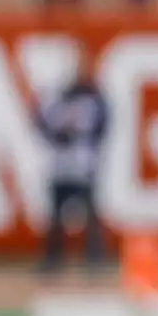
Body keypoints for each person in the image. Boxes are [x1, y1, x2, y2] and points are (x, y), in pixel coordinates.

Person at [36, 61, 109, 272]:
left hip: (83, 163)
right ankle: (53, 258)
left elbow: (102, 128)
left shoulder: (94, 100)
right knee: (55, 217)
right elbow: (44, 125)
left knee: (91, 215)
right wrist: (60, 133)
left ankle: (94, 258)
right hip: (61, 165)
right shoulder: (60, 101)